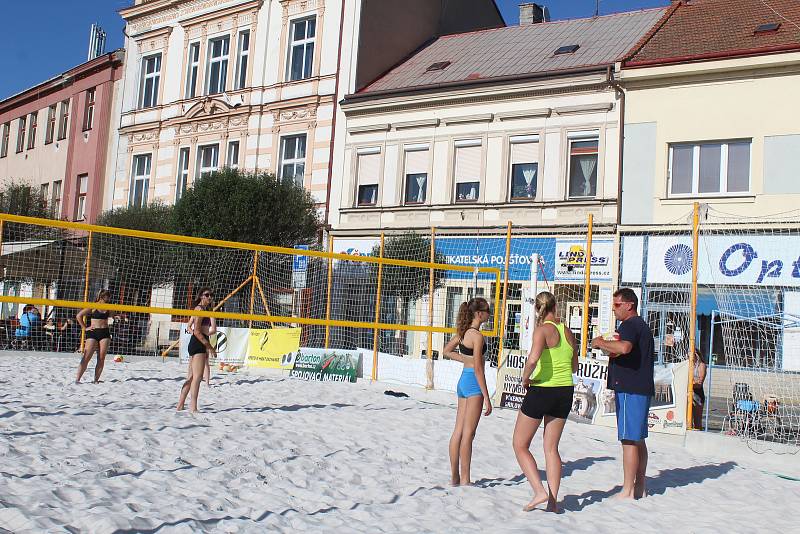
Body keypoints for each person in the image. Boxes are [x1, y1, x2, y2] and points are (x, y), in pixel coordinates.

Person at [513, 291, 578, 512]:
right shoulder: (568, 332)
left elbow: (532, 360)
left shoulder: (542, 331)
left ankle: (539, 491)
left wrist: (525, 379)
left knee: (520, 444)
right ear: (555, 306)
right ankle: (552, 502)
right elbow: (574, 367)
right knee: (552, 448)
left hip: (542, 389)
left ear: (537, 310)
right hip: (565, 391)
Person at [591, 288, 655, 500]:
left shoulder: (629, 325)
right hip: (641, 387)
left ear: (630, 305)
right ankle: (640, 486)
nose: (614, 309)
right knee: (638, 439)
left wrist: (600, 342)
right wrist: (610, 347)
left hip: (630, 387)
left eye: (617, 305)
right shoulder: (642, 326)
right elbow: (623, 349)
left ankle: (628, 490)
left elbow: (624, 348)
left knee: (628, 440)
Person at [442, 297, 492, 486]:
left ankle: (454, 477)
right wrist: (487, 396)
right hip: (473, 384)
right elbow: (479, 369)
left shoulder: (463, 333)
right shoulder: (477, 336)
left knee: (458, 432)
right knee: (468, 434)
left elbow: (446, 351)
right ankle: (465, 479)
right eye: (487, 310)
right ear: (479, 314)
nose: (489, 313)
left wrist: (465, 360)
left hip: (462, 381)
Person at [177, 288, 217, 412]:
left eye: (211, 295)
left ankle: (180, 405)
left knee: (191, 376)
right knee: (197, 377)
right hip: (199, 341)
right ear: (201, 296)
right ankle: (193, 407)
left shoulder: (204, 310)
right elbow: (198, 331)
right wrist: (210, 347)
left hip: (197, 341)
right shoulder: (200, 309)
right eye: (207, 295)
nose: (209, 297)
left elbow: (194, 329)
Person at [76, 290, 117, 383]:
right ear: (102, 297)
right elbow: (79, 316)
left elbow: (113, 316)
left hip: (105, 333)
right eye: (108, 296)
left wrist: (117, 316)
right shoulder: (93, 306)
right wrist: (84, 328)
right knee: (86, 357)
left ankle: (96, 380)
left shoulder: (109, 307)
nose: (109, 298)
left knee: (101, 357)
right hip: (93, 332)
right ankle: (77, 380)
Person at [692, 348, 707, 430]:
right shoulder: (688, 364)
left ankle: (698, 438)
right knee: (687, 421)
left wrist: (690, 383)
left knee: (697, 421)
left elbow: (699, 383)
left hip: (697, 394)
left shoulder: (701, 365)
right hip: (687, 393)